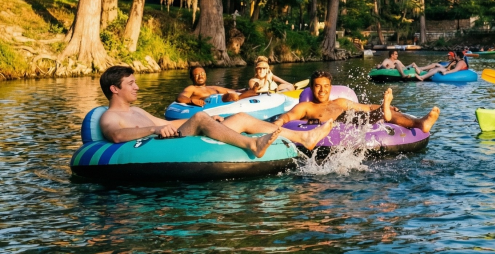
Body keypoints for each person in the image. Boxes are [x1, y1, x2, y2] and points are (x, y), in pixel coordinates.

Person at [96, 66, 334, 155]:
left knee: (239, 117)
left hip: (177, 137)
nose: (137, 87)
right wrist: (156, 128)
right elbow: (117, 136)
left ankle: (304, 137)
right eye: (131, 84)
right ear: (114, 89)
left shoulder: (137, 110)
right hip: (162, 146)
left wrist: (214, 119)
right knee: (199, 116)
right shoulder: (110, 116)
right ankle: (252, 145)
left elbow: (169, 124)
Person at [276, 71, 440, 133]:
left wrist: (384, 107)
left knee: (370, 113)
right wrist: (278, 122)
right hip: (332, 126)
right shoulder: (307, 106)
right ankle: (384, 111)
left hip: (352, 122)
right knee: (355, 116)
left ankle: (420, 123)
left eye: (326, 86)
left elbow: (367, 107)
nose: (322, 90)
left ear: (330, 87)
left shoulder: (339, 101)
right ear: (312, 88)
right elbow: (289, 117)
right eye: (318, 86)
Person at [176, 66, 242, 107]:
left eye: (202, 74)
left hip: (221, 104)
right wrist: (191, 101)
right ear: (192, 77)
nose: (200, 76)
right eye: (197, 75)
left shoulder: (212, 88)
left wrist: (246, 90)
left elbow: (235, 91)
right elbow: (180, 97)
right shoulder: (192, 88)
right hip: (207, 108)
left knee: (233, 95)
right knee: (234, 96)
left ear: (205, 75)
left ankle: (252, 91)